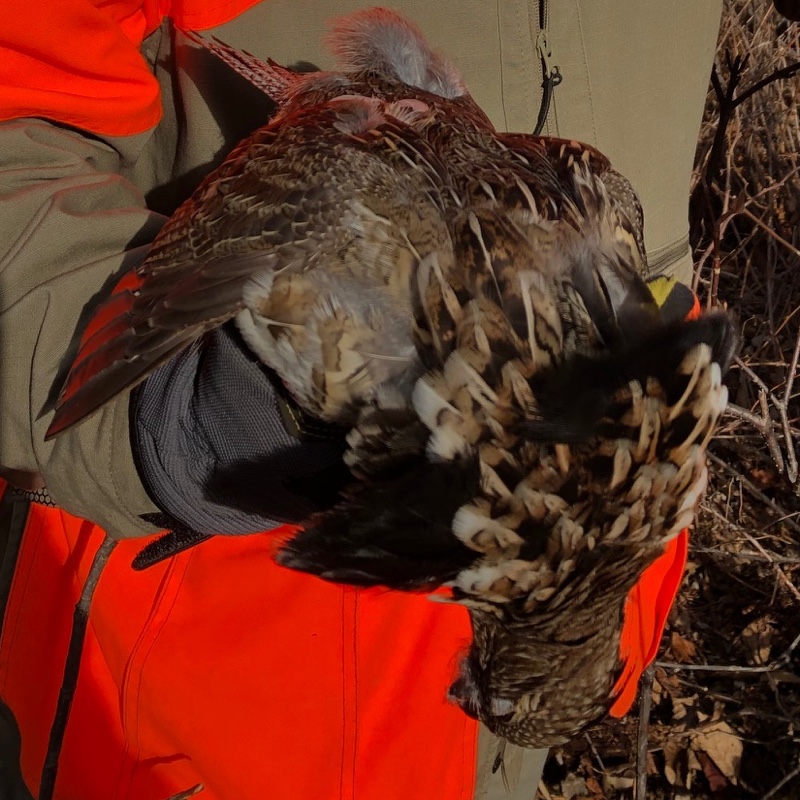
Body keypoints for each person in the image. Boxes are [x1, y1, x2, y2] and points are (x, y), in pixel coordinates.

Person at [0, 2, 725, 798]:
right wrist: (174, 428)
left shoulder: (530, 644)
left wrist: (583, 617)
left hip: (488, 752)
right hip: (193, 717)